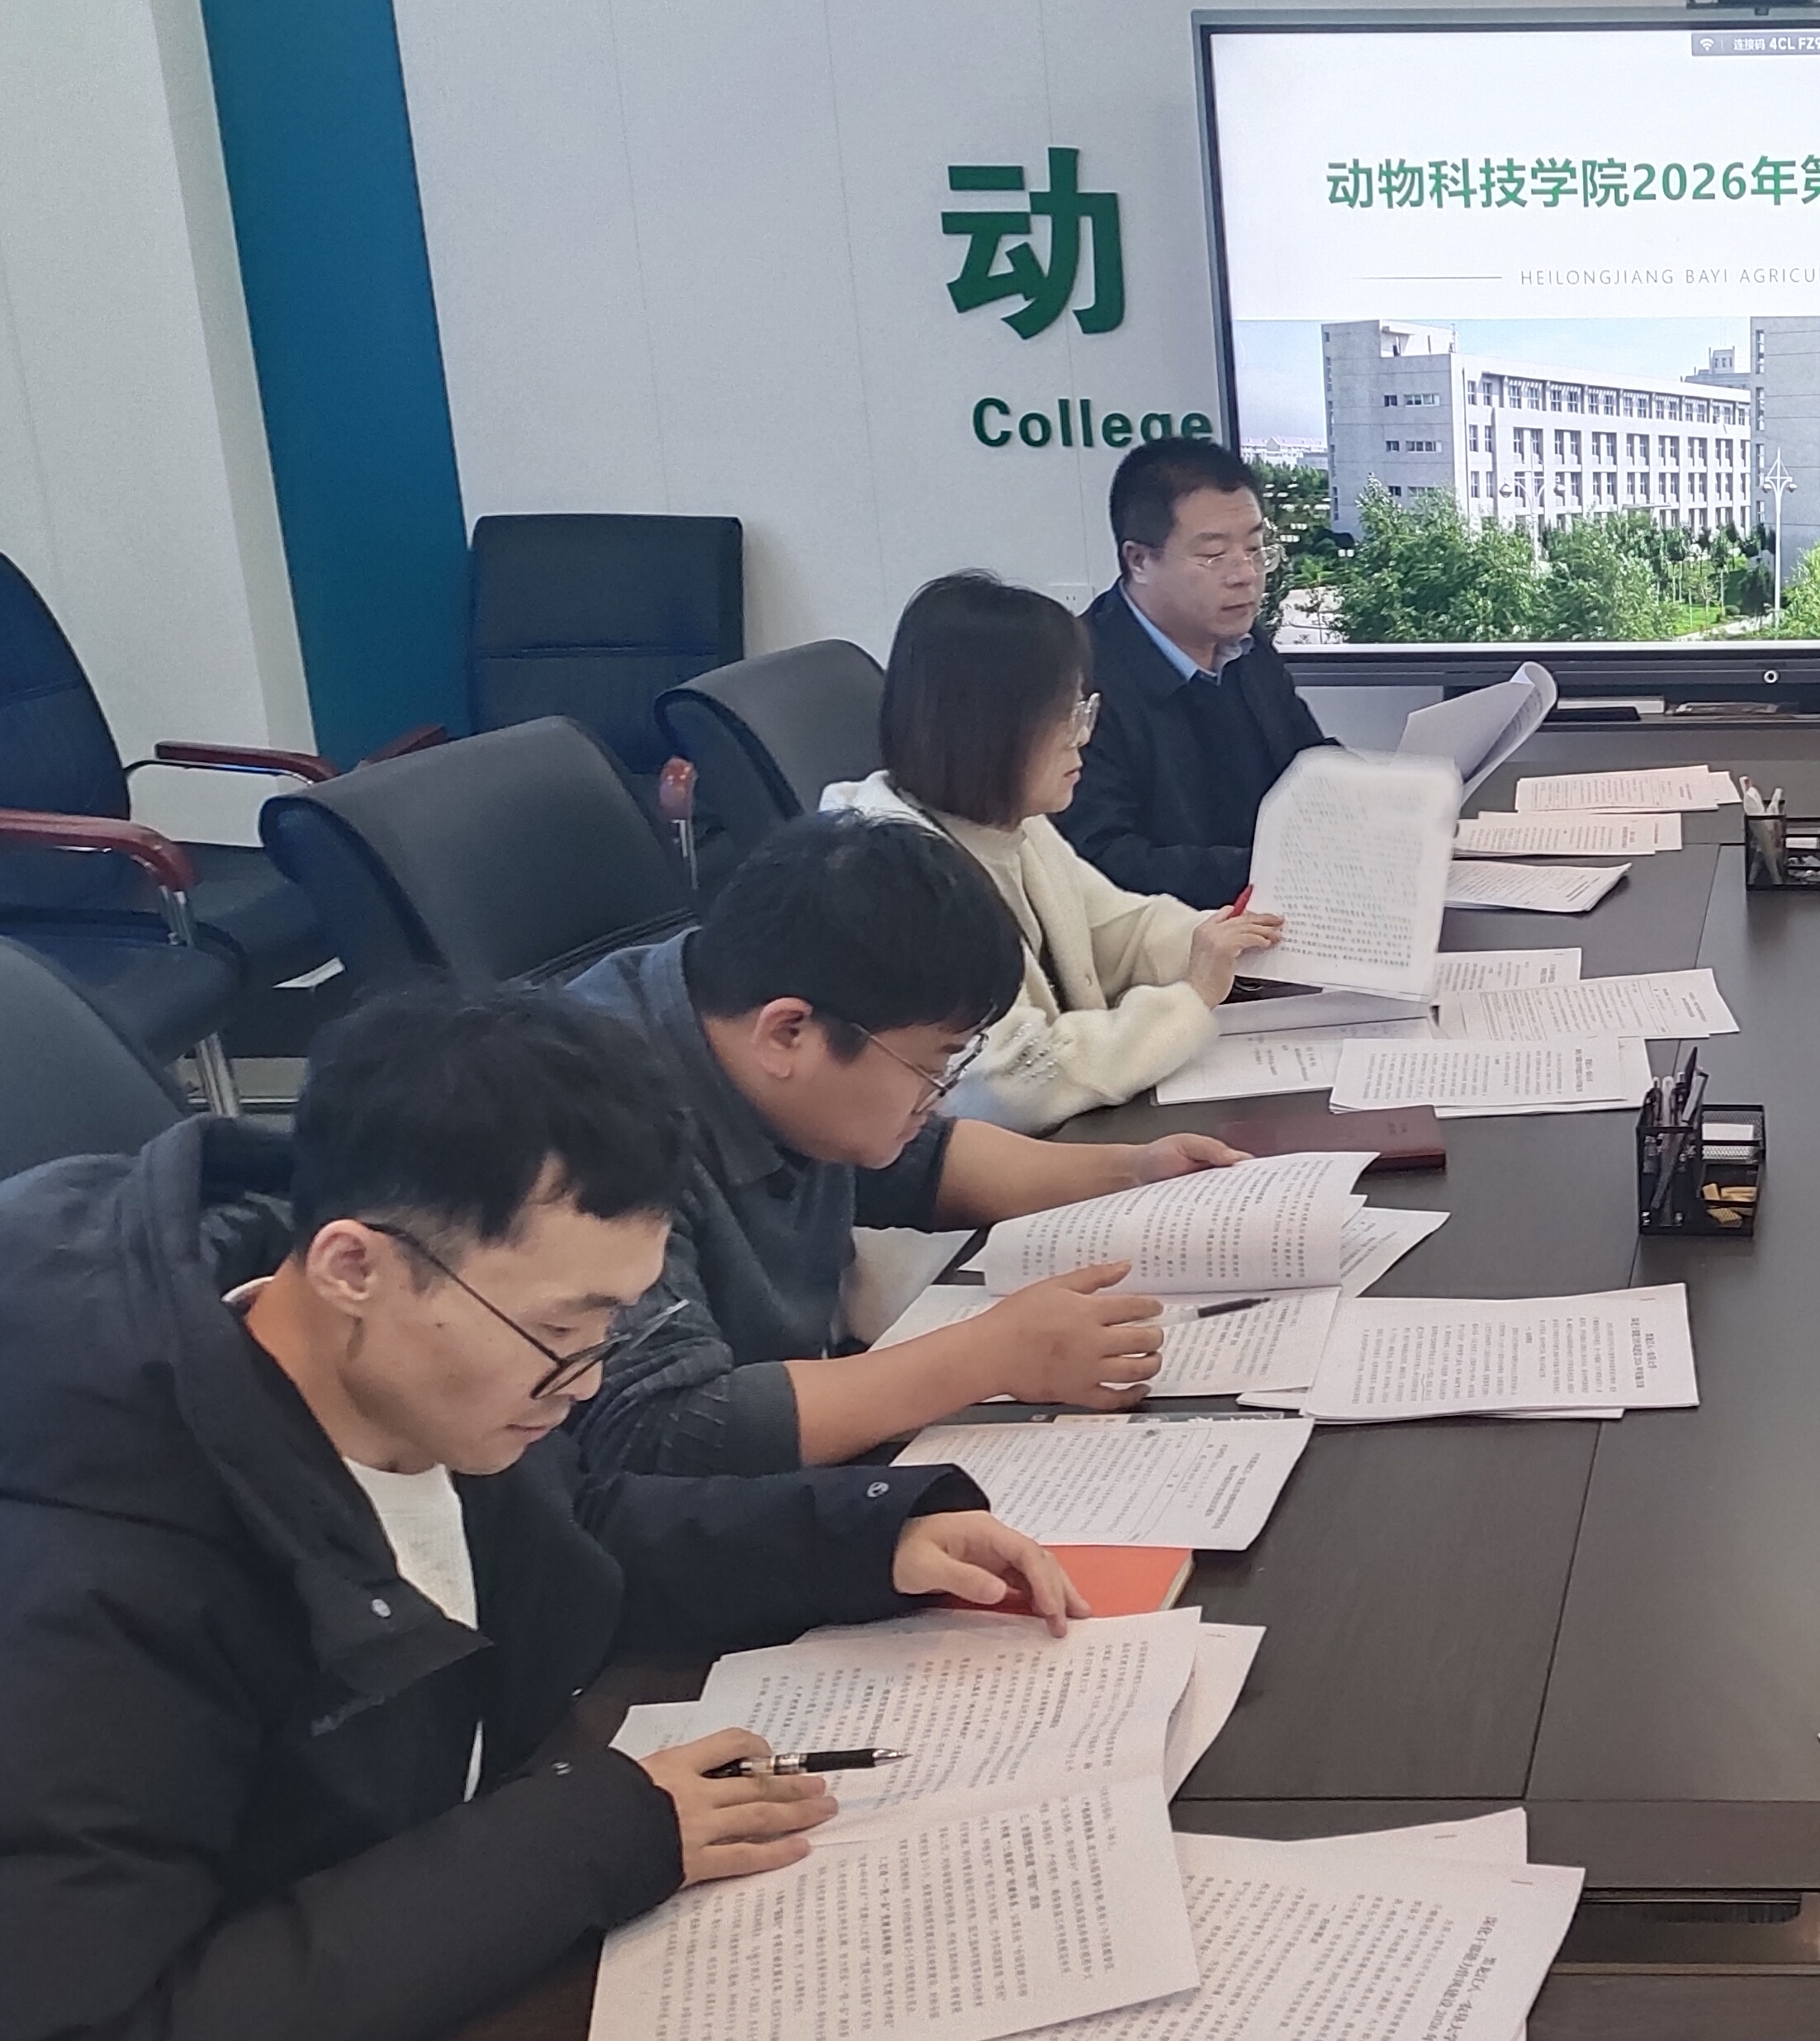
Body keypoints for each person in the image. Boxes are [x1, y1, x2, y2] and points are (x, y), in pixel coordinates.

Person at [0, 990, 1081, 2041]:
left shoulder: (405, 1381)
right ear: (353, 1266)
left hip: (361, 2022)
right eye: (567, 1330)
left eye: (616, 1322)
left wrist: (866, 1539)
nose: (588, 1383)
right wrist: (589, 1836)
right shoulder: (65, 1588)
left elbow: (565, 1538)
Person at [562, 812, 1246, 1475]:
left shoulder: (763, 1025)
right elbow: (659, 1428)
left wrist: (1133, 1171)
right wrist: (988, 1358)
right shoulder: (593, 1124)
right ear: (788, 1034)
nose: (940, 1094)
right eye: (931, 1067)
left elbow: (919, 1162)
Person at [821, 572, 1287, 1129]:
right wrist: (1192, 998)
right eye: (1067, 716)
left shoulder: (1009, 823)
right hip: (977, 1160)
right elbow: (1010, 1083)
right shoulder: (897, 876)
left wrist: (1241, 945)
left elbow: (1121, 931)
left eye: (1083, 710)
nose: (1083, 736)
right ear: (989, 728)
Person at [1065, 437, 1333, 904]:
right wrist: (1275, 865)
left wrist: (1390, 806)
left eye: (1255, 549)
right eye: (1214, 556)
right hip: (1174, 935)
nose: (1245, 574)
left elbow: (1306, 763)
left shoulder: (1247, 646)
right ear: (1139, 560)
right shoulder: (1078, 679)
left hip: (1274, 911)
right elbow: (1104, 860)